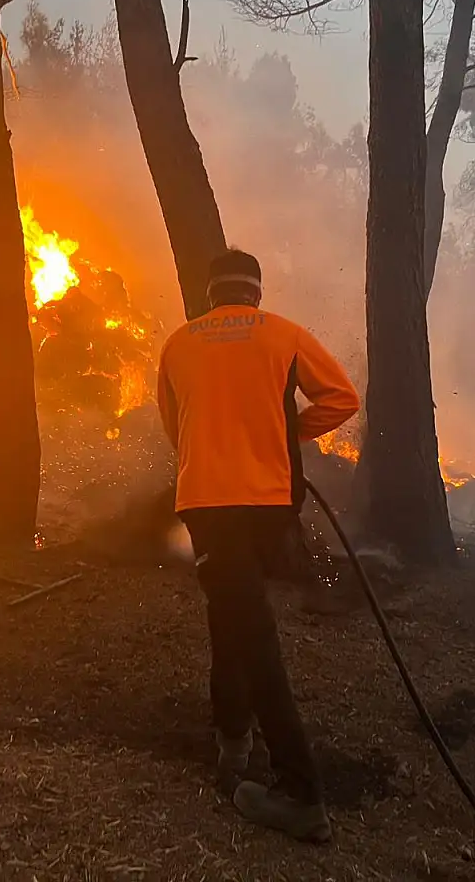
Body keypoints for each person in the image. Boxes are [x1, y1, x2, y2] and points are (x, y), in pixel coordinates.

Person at [156, 248, 360, 843]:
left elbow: (178, 429)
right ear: (257, 293)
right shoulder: (284, 334)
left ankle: (301, 791)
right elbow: (342, 399)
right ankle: (232, 740)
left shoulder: (178, 343)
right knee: (235, 612)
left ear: (210, 293)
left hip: (208, 502)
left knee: (246, 623)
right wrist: (285, 432)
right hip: (270, 503)